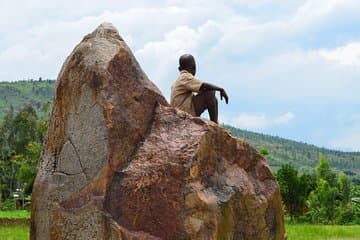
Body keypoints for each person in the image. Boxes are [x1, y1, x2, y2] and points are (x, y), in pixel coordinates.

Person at [170, 54, 229, 123]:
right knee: (210, 91)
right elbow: (203, 86)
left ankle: (215, 123)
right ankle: (215, 124)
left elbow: (200, 89)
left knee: (212, 98)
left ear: (179, 69)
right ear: (194, 68)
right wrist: (220, 89)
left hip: (178, 112)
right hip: (183, 113)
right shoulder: (185, 76)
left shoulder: (177, 81)